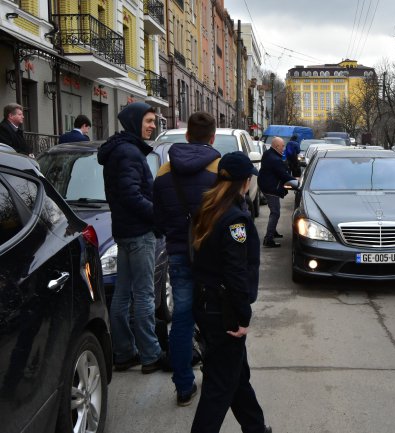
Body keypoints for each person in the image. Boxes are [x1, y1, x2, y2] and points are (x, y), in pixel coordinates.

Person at [190, 151, 271, 433]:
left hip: (206, 302)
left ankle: (255, 427)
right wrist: (243, 316)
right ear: (244, 181)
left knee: (236, 374)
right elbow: (235, 271)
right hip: (223, 310)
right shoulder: (235, 219)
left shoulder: (208, 207)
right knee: (220, 384)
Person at [153, 111, 220, 406]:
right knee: (215, 317)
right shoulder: (221, 169)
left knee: (181, 318)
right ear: (213, 137)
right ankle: (216, 376)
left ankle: (183, 386)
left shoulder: (164, 171)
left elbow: (157, 219)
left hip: (179, 254)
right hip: (212, 258)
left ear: (188, 135)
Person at [97, 101, 165, 374]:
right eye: (148, 121)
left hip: (125, 232)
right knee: (144, 296)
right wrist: (158, 215)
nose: (152, 126)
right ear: (135, 121)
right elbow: (131, 195)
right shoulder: (128, 152)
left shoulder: (122, 149)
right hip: (138, 233)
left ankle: (124, 353)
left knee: (123, 295)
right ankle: (150, 355)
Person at [258, 136, 295, 248]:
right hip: (271, 188)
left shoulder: (269, 154)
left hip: (266, 186)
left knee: (274, 211)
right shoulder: (275, 159)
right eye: (282, 146)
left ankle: (273, 231)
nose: (284, 148)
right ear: (277, 146)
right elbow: (283, 175)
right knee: (275, 213)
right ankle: (268, 239)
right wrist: (295, 182)